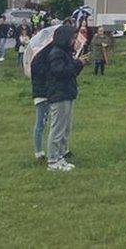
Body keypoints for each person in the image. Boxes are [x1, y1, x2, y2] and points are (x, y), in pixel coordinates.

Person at [45, 25, 85, 172]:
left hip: (67, 92)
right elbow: (60, 72)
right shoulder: (56, 53)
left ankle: (61, 156)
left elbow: (72, 72)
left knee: (65, 128)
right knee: (57, 128)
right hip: (59, 94)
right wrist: (76, 63)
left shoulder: (66, 52)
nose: (74, 40)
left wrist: (79, 64)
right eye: (72, 37)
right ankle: (53, 160)